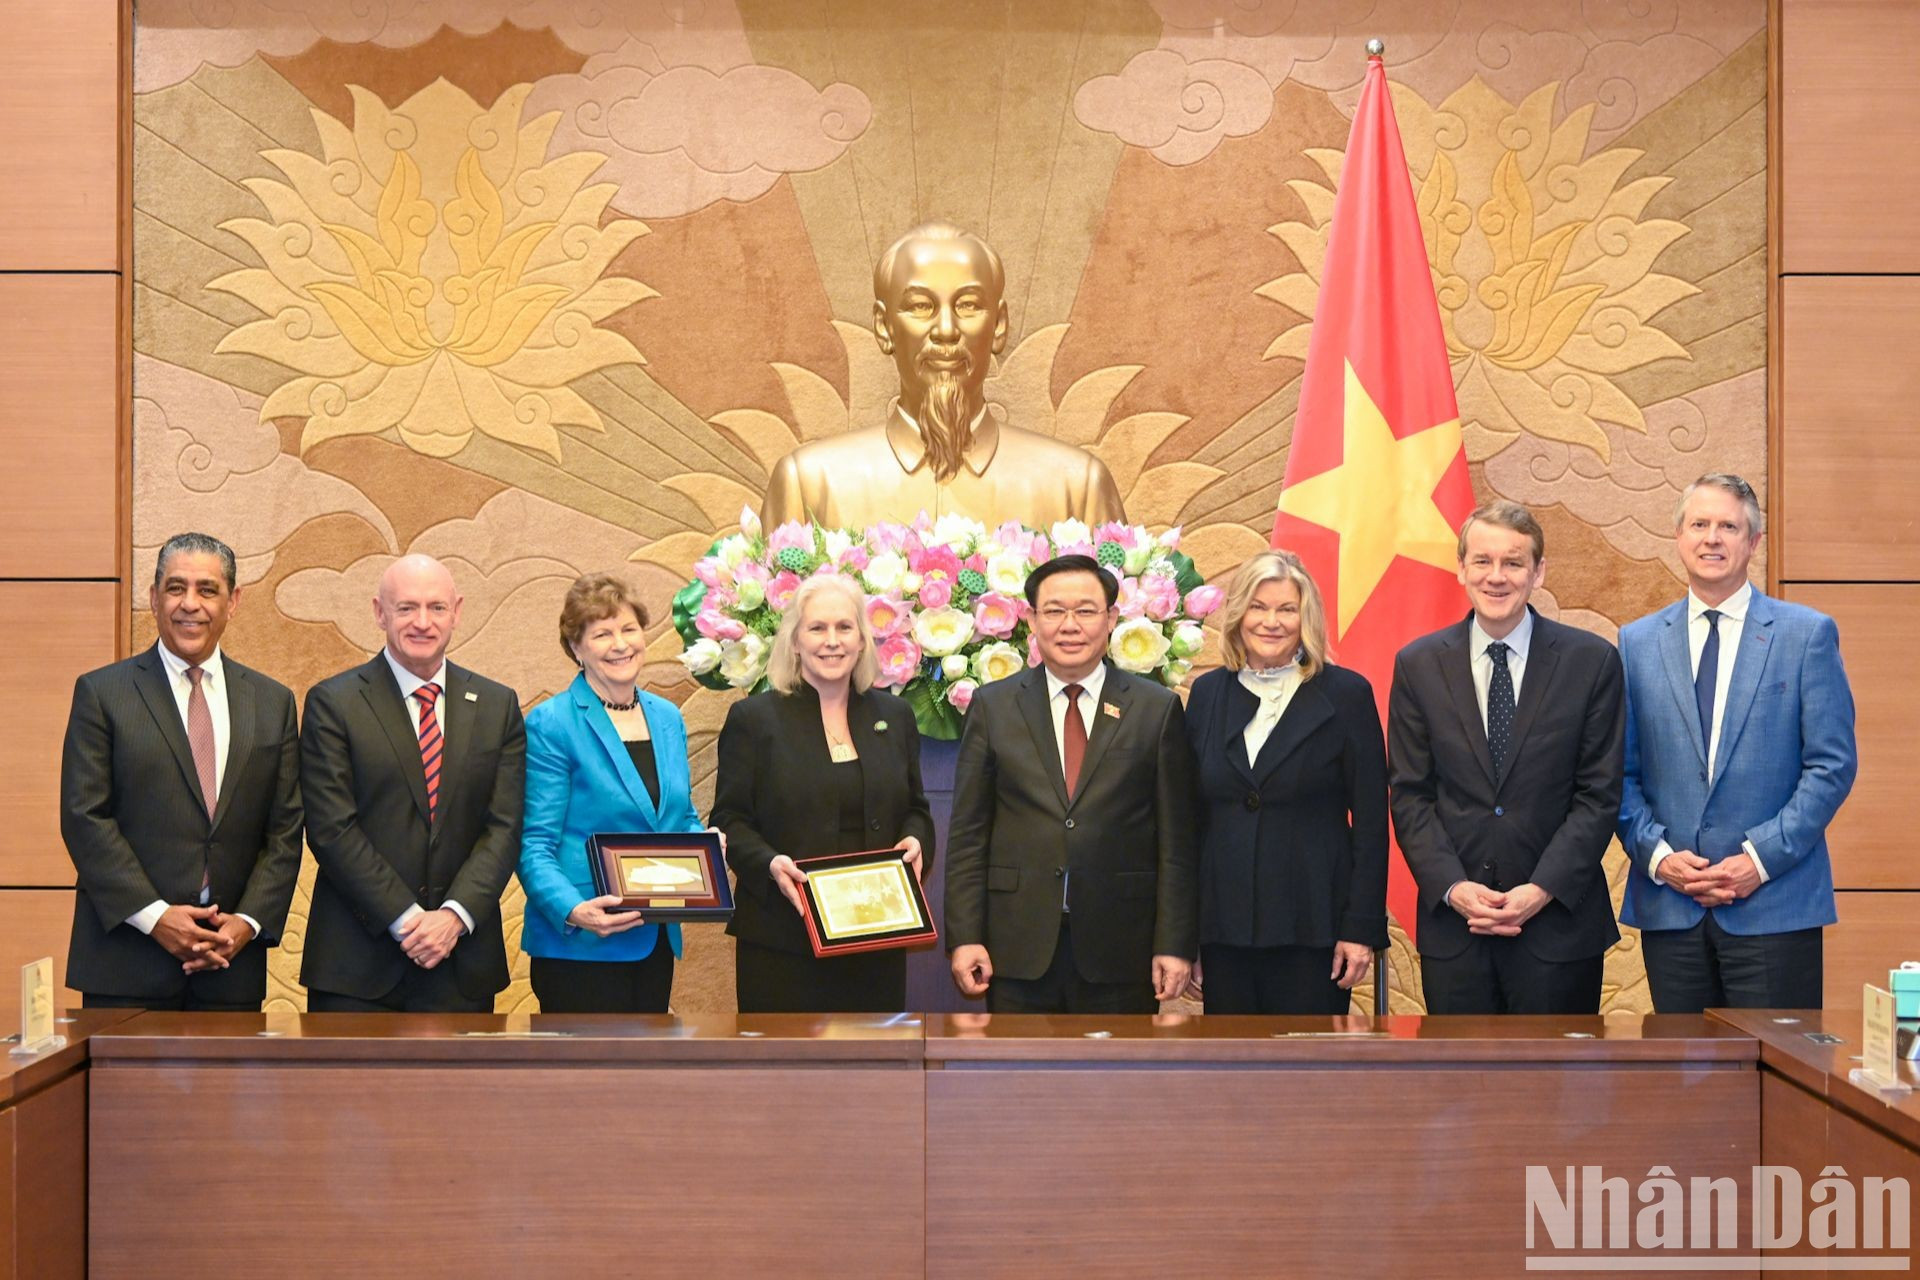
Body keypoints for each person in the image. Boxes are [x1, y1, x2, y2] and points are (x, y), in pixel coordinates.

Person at [1618, 473, 1857, 1011]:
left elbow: (1831, 766)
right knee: (1684, 1086)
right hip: (1671, 909)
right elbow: (1617, 774)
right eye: (1699, 524)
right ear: (1678, 537)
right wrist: (1658, 856)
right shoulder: (1636, 642)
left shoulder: (1806, 634)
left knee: (1778, 1082)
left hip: (1775, 903)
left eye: (1729, 526)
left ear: (1753, 542)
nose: (1712, 538)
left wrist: (1758, 859)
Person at [1388, 501, 1624, 1015]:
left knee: (1556, 1092)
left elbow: (1599, 795)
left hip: (1559, 930)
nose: (1497, 577)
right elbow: (1410, 795)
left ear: (1538, 572)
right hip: (1457, 932)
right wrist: (1453, 888)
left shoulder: (1592, 661)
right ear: (1461, 569)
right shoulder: (1418, 665)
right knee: (1463, 1094)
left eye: (1513, 563)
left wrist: (1540, 889)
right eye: (1482, 561)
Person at [59, 532, 301, 1010]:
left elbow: (286, 830)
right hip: (125, 964)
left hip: (231, 966)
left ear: (233, 602)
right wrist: (156, 918)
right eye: (175, 588)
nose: (190, 604)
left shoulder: (272, 703)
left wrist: (247, 922)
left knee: (229, 1090)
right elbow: (85, 818)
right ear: (153, 599)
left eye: (207, 590)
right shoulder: (103, 694)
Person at [945, 554, 1197, 1013]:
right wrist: (964, 938)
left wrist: (1175, 942)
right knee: (1020, 1083)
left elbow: (1177, 842)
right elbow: (967, 835)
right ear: (1031, 620)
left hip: (1121, 947)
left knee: (1112, 1082)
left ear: (1112, 619)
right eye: (1055, 611)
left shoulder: (1155, 709)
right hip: (1016, 947)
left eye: (1085, 611)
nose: (1070, 625)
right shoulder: (993, 706)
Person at [760, 221, 1125, 530]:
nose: (946, 329)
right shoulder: (810, 485)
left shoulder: (1077, 489)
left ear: (998, 325)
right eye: (920, 306)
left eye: (968, 305)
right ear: (884, 327)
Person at [299, 554, 526, 1012]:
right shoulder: (334, 703)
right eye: (406, 608)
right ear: (380, 613)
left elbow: (503, 829)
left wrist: (452, 918)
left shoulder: (497, 705)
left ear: (457, 612)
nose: (422, 622)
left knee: (462, 1087)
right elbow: (332, 829)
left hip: (462, 961)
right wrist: (407, 920)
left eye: (436, 608)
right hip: (357, 967)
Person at [711, 573, 934, 1012]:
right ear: (795, 642)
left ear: (862, 641)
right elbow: (729, 821)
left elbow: (915, 808)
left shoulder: (896, 715)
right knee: (787, 1077)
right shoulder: (754, 720)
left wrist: (916, 839)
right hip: (783, 940)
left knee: (872, 1074)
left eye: (844, 627)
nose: (832, 641)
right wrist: (770, 864)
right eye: (817, 628)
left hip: (876, 937)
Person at [1182, 551, 1387, 1015]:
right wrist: (1186, 934)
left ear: (1306, 617)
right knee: (1233, 1077)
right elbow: (1191, 822)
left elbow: (1373, 823)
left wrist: (1360, 928)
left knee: (1308, 1078)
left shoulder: (1347, 694)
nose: (1270, 622)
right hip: (1224, 931)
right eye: (1258, 607)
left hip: (1314, 929)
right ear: (1238, 616)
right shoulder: (1208, 694)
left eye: (1286, 609)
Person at [519, 573, 710, 1013]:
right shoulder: (552, 723)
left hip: (655, 939)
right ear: (576, 648)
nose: (620, 644)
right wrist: (573, 910)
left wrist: (705, 842)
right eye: (602, 634)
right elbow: (533, 844)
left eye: (629, 629)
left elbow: (678, 817)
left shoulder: (667, 717)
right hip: (581, 945)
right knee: (587, 1082)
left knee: (645, 1079)